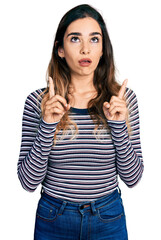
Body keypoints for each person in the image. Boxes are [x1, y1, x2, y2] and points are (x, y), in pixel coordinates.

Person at [17, 4, 144, 240]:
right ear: (61, 49)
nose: (86, 49)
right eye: (75, 39)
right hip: (53, 218)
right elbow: (28, 182)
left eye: (94, 39)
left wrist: (117, 126)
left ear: (103, 49)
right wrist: (47, 125)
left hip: (108, 218)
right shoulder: (39, 102)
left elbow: (133, 178)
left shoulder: (122, 101)